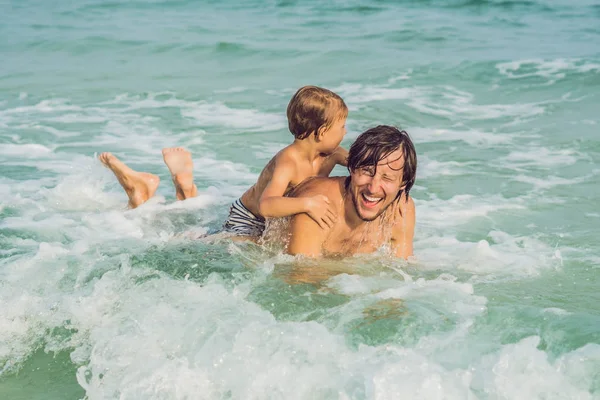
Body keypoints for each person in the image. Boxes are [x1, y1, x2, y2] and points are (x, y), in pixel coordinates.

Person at [98, 85, 349, 237]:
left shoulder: (333, 154)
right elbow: (267, 206)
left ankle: (185, 188)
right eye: (342, 126)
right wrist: (308, 204)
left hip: (272, 222)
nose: (345, 132)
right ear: (322, 132)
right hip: (248, 219)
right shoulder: (288, 160)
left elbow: (362, 164)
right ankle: (143, 194)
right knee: (219, 247)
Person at [283, 125, 417, 259]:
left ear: (402, 183)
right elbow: (300, 276)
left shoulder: (401, 212)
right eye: (367, 171)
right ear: (352, 168)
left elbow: (403, 270)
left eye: (387, 178)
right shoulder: (318, 207)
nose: (373, 189)